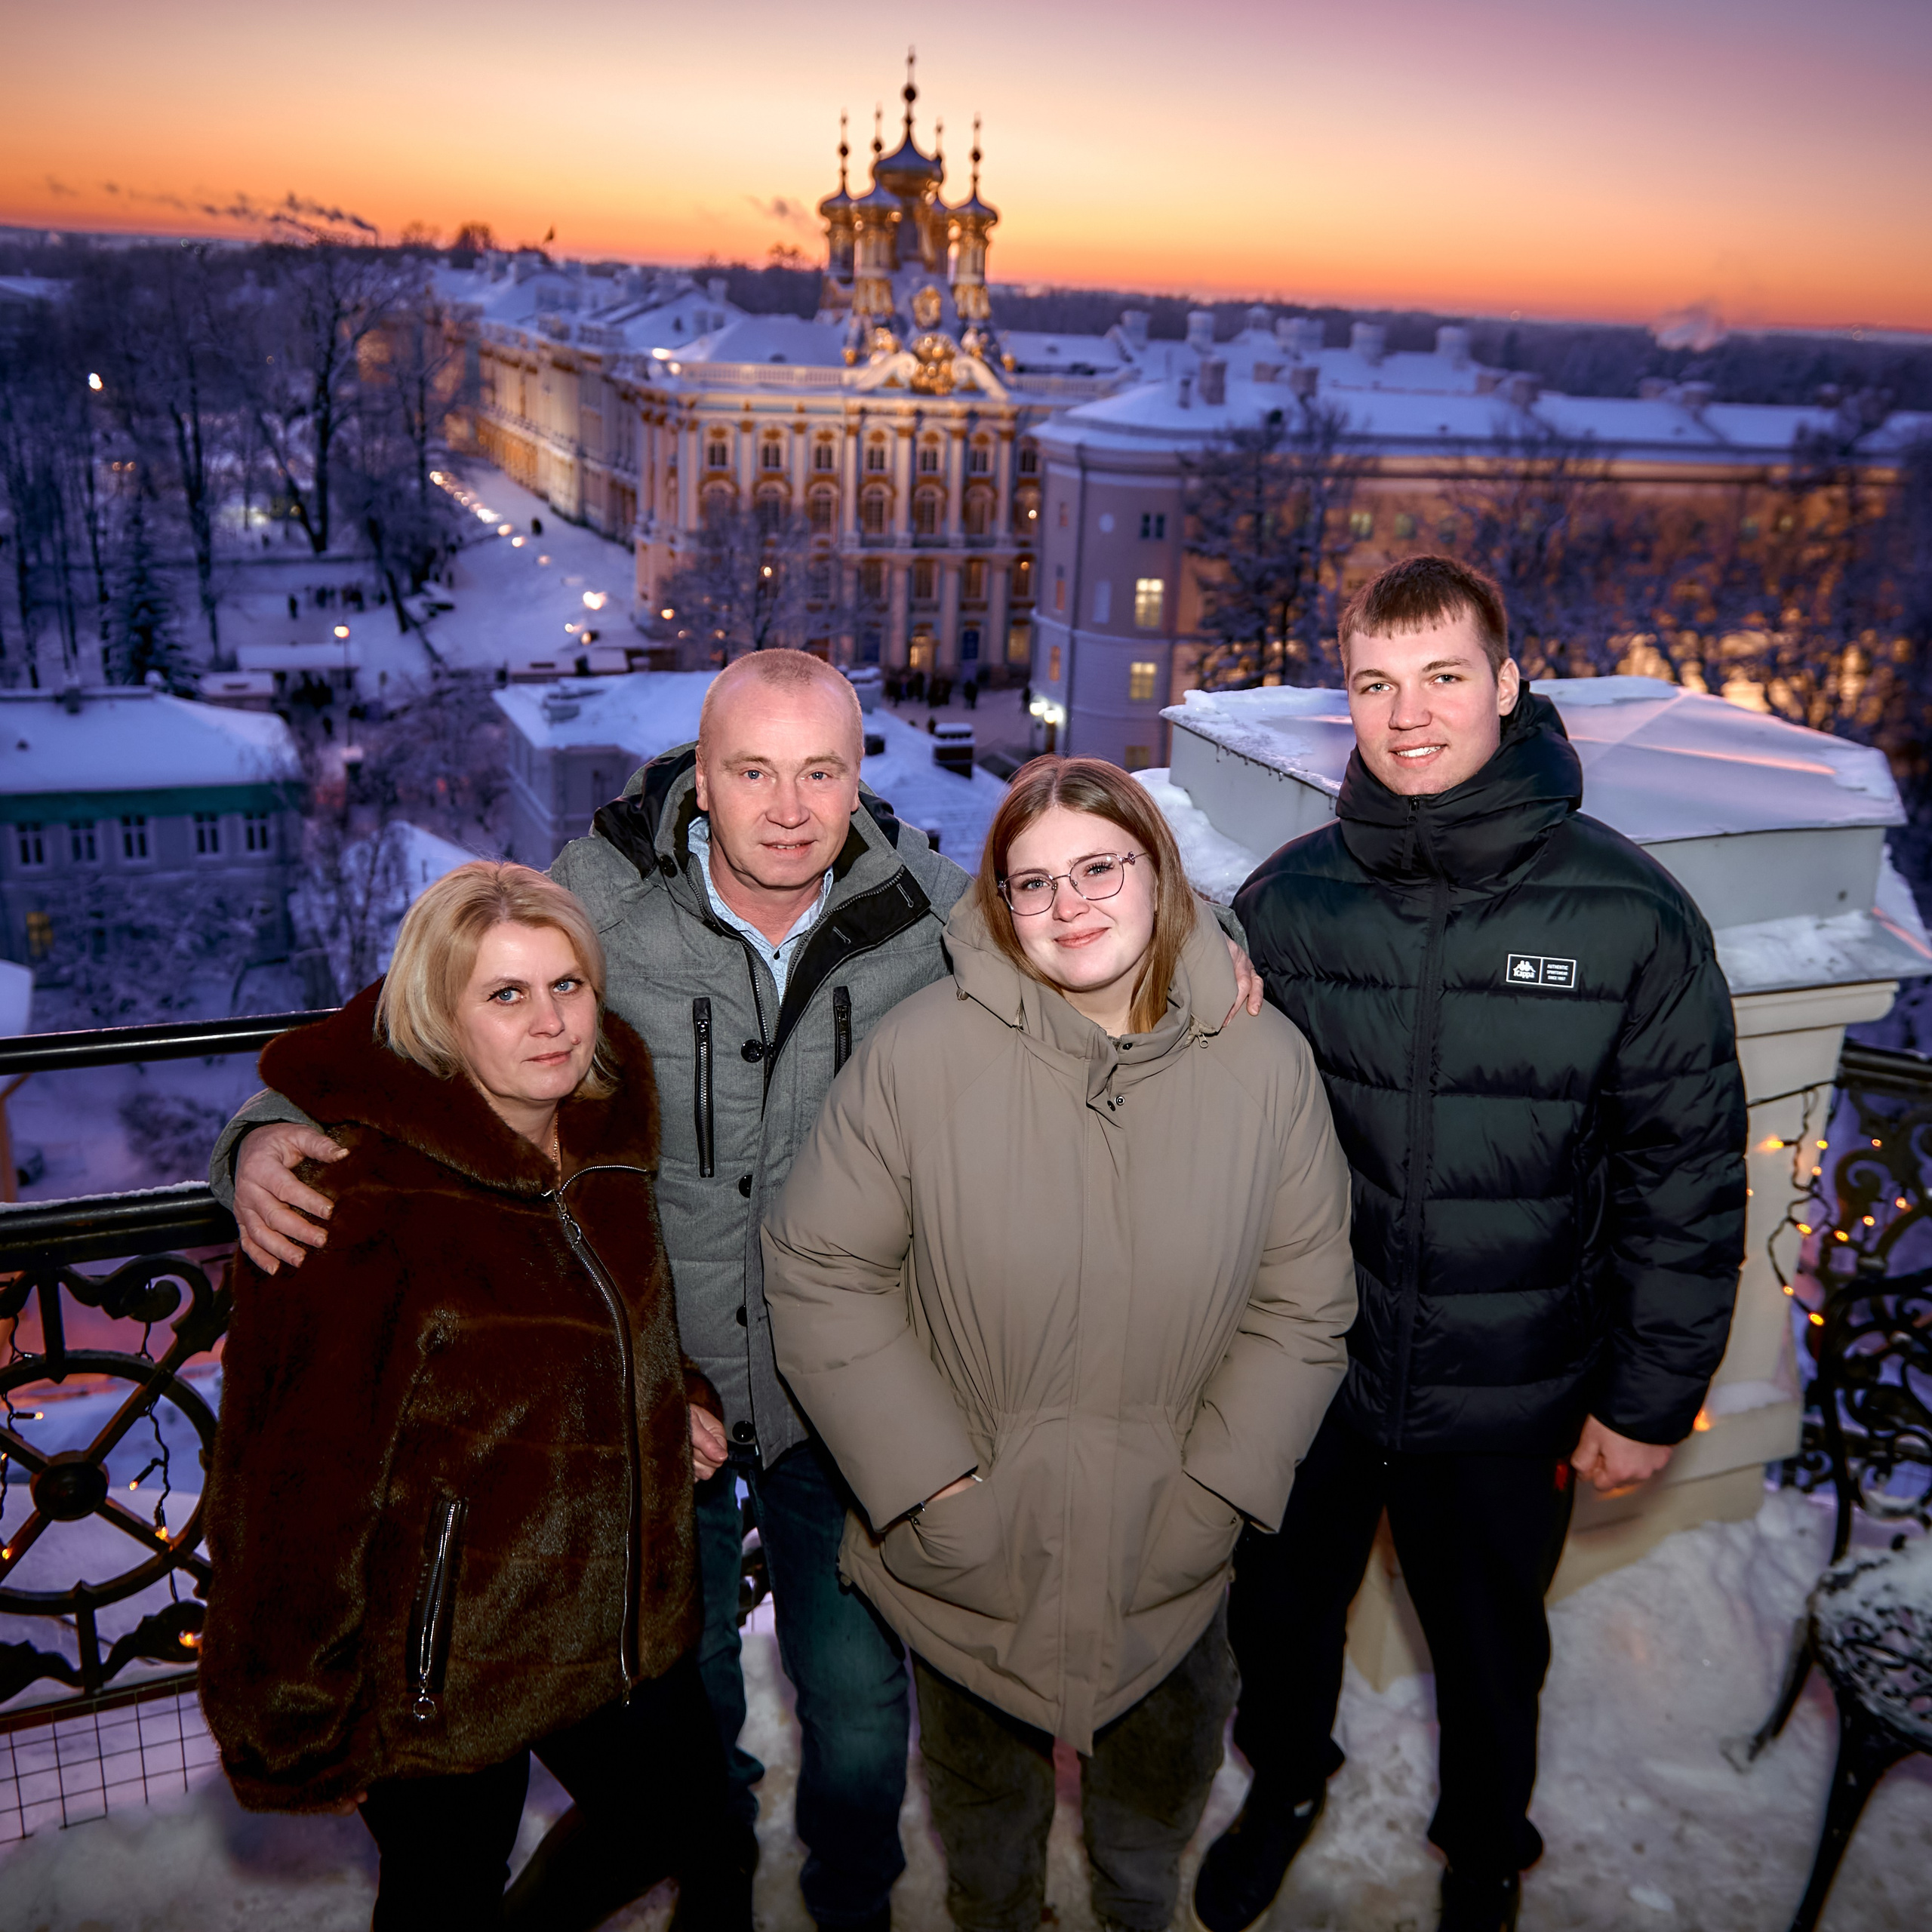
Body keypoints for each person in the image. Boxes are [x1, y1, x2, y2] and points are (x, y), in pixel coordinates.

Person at [211, 649, 1268, 1932]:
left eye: (820, 772)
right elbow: (417, 1017)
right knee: (688, 1704)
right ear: (700, 780)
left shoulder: (925, 908)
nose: (788, 808)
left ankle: (849, 1908)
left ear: (858, 779)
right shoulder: (603, 895)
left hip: (849, 1396)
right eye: (753, 771)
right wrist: (264, 1129)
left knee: (861, 1712)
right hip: (664, 1399)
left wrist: (1213, 953)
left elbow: (1094, 930)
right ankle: (716, 1905)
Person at [1194, 557, 1748, 1932]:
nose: (1409, 715)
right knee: (1280, 1620)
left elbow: (1684, 1175)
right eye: (1375, 683)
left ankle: (1488, 1854)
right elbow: (1215, 1133)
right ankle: (1286, 1785)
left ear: (1505, 684)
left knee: (1495, 1655)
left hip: (1514, 1388)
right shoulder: (1291, 903)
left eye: (1443, 677)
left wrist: (1649, 1397)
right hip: (1314, 1378)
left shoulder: (1628, 913)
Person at [764, 757, 1358, 1932]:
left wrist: (1219, 1489)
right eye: (1032, 883)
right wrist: (931, 1486)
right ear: (999, 904)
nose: (1069, 904)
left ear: (1160, 875)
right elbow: (823, 1269)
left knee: (1148, 1842)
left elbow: (1304, 1300)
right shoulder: (922, 1057)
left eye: (1100, 868)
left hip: (1172, 1561)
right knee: (987, 1852)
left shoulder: (1265, 1064)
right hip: (969, 1564)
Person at [200, 862, 737, 1930]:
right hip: (437, 1664)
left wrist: (668, 1395)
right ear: (440, 1018)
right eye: (506, 994)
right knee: (444, 1895)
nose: (552, 1022)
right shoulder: (361, 1201)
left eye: (568, 985)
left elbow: (613, 1315)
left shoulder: (603, 1132)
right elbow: (293, 1482)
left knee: (676, 1816)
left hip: (614, 1619)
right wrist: (295, 1721)